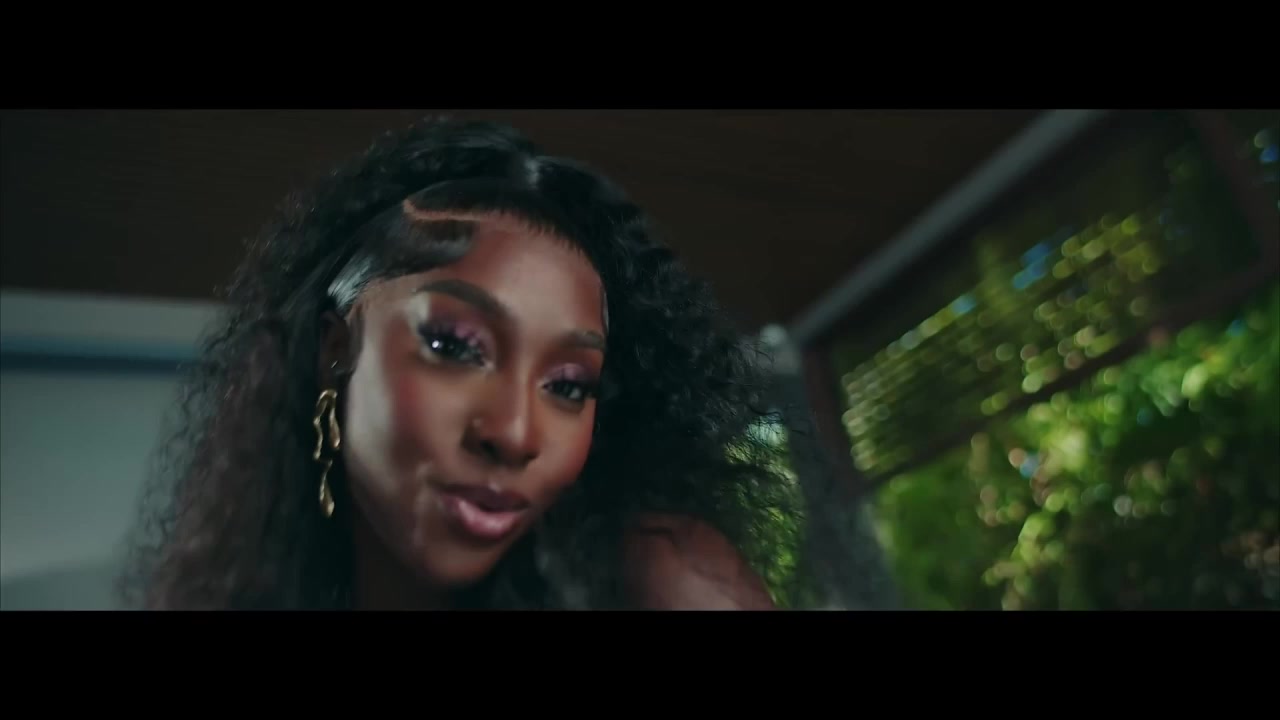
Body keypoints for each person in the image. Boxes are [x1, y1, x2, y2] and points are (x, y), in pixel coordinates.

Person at [118, 116, 804, 610]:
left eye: (569, 386)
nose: (515, 432)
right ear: (335, 352)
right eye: (453, 346)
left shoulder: (661, 576)